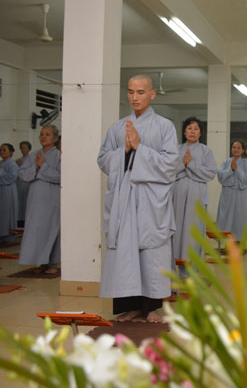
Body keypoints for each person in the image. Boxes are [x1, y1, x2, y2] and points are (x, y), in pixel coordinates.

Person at [98, 74, 179, 323]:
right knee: (125, 250)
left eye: (141, 92)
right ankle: (130, 306)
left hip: (150, 199)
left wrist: (140, 148)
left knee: (151, 252)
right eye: (131, 92)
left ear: (152, 94)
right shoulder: (117, 127)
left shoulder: (165, 126)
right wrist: (124, 150)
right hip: (124, 198)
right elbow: (103, 159)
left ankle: (152, 307)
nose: (135, 97)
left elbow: (171, 164)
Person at [171, 117, 217, 275]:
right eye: (189, 128)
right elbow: (169, 171)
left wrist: (190, 165)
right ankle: (176, 267)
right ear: (184, 132)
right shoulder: (176, 149)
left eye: (196, 129)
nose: (192, 131)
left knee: (193, 230)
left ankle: (192, 270)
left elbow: (210, 173)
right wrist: (184, 165)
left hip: (196, 196)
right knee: (176, 229)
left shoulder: (206, 151)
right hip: (177, 195)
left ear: (200, 133)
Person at [18, 125, 61, 274]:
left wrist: (43, 167)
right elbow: (22, 174)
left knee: (52, 228)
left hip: (51, 198)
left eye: (48, 134)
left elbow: (61, 176)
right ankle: (42, 261)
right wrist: (36, 167)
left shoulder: (59, 156)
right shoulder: (33, 155)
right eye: (42, 134)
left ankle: (53, 263)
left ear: (55, 138)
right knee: (36, 229)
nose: (43, 137)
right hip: (35, 199)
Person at [217, 141, 247, 241]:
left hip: (240, 194)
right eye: (234, 147)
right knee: (225, 216)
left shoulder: (246, 163)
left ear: (242, 150)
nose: (236, 149)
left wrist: (237, 170)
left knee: (239, 216)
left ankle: (239, 238)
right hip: (227, 193)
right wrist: (230, 170)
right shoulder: (225, 162)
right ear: (231, 149)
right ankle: (225, 238)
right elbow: (220, 177)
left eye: (239, 148)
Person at [0, 143, 19, 244]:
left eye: (4, 150)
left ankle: (9, 235)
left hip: (8, 191)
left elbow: (12, 178)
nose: (1, 152)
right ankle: (0, 234)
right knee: (0, 213)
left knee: (8, 212)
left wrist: (0, 171)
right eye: (0, 150)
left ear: (11, 152)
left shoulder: (13, 164)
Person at [16, 141, 32, 227]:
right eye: (21, 148)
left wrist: (22, 165)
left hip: (27, 184)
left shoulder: (31, 159)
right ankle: (19, 220)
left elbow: (31, 171)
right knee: (19, 203)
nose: (23, 149)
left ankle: (26, 220)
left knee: (26, 202)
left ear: (29, 149)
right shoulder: (18, 160)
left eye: (25, 148)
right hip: (19, 184)